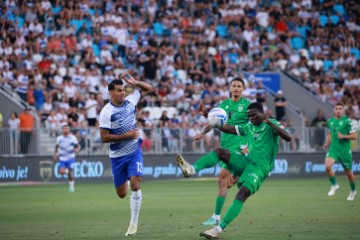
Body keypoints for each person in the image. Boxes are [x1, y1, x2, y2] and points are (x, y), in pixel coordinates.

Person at [178, 102, 291, 239]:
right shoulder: (249, 126)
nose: (251, 119)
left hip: (259, 168)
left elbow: (288, 137)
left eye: (253, 115)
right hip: (246, 160)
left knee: (241, 194)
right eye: (249, 116)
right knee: (220, 152)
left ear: (262, 114)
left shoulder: (270, 123)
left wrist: (270, 123)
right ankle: (191, 169)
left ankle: (217, 229)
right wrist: (209, 115)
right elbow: (228, 129)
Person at [176, 78, 251, 226]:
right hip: (226, 144)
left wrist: (250, 145)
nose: (236, 88)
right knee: (225, 182)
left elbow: (253, 127)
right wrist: (203, 132)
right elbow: (214, 121)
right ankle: (216, 216)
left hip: (238, 148)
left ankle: (192, 169)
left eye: (239, 86)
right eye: (234, 86)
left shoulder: (248, 106)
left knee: (222, 174)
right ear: (230, 88)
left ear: (243, 89)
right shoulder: (224, 105)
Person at [99, 73, 153, 237]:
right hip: (117, 156)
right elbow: (104, 137)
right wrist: (126, 135)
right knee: (122, 194)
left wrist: (135, 82)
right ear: (111, 93)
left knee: (136, 185)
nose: (123, 93)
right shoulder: (106, 112)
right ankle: (127, 182)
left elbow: (150, 89)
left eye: (123, 90)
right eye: (119, 91)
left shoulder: (131, 100)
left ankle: (133, 224)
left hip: (134, 150)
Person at [322, 102, 357, 201]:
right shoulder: (331, 121)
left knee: (348, 173)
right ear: (334, 110)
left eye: (340, 108)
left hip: (344, 151)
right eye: (336, 109)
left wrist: (344, 136)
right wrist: (326, 143)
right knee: (327, 166)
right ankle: (334, 185)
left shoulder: (347, 121)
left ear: (343, 110)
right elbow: (330, 133)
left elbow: (354, 136)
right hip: (334, 149)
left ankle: (353, 191)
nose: (338, 110)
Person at [53, 125, 80, 192]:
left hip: (70, 156)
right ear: (62, 130)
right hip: (62, 157)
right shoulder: (59, 138)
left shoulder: (72, 138)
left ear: (69, 130)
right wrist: (55, 154)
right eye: (64, 129)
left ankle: (71, 186)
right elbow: (56, 147)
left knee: (70, 172)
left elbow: (77, 146)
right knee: (62, 172)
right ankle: (68, 171)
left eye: (67, 129)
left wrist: (76, 149)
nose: (65, 130)